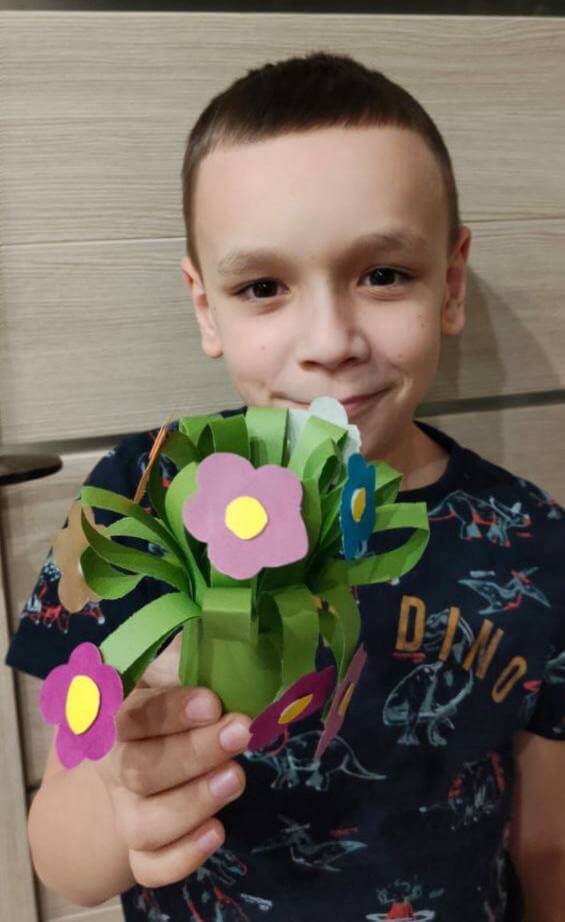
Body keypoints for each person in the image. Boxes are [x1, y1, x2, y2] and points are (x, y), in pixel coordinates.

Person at [4, 51, 564, 921]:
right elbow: (66, 864)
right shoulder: (139, 501)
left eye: (383, 274)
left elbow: (547, 847)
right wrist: (124, 800)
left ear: (450, 283)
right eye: (263, 287)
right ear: (206, 308)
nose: (330, 341)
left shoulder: (531, 537)